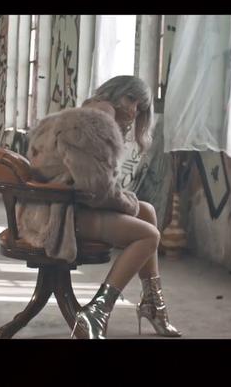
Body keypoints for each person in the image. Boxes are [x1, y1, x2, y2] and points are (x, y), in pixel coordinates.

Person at [17, 75, 181, 339]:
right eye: (131, 100)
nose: (133, 111)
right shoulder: (98, 121)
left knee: (148, 211)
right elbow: (96, 191)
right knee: (149, 235)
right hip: (57, 216)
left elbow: (88, 184)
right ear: (114, 94)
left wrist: (128, 202)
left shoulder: (78, 114)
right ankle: (97, 312)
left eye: (140, 107)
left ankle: (154, 305)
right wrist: (127, 203)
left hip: (48, 207)